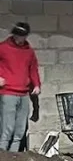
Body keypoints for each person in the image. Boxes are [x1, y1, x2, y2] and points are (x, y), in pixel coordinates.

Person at [0, 22, 41, 153]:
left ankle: (13, 158)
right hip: (8, 93)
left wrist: (36, 84)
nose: (19, 39)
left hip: (24, 94)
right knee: (7, 128)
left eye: (22, 36)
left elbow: (33, 69)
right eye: (17, 36)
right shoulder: (3, 48)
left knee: (20, 129)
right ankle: (2, 156)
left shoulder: (29, 52)